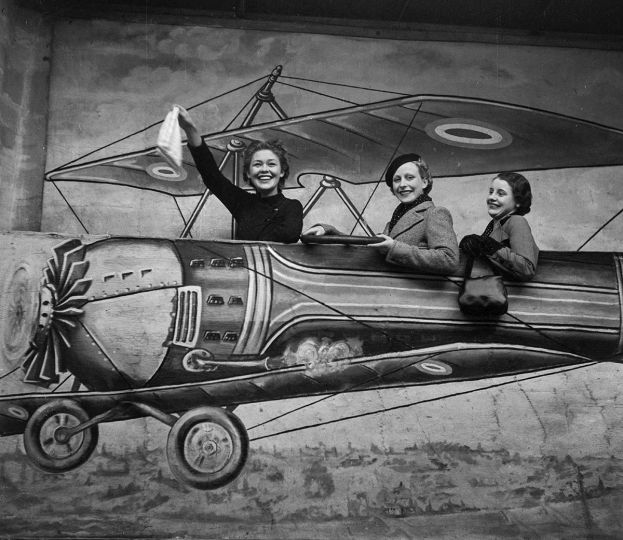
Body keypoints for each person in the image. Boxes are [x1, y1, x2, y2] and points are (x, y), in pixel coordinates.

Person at [306, 153, 459, 275]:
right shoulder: (396, 219)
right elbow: (370, 248)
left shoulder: (435, 213)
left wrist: (394, 247)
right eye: (397, 180)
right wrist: (330, 231)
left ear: (424, 182)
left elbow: (449, 260)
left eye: (410, 177)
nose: (403, 184)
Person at [175, 105, 303, 243]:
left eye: (271, 164)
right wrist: (190, 129)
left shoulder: (292, 206)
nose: (264, 169)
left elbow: (290, 234)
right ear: (248, 173)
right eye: (257, 164)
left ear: (282, 171)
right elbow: (212, 176)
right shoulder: (243, 203)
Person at [459, 172, 539, 281]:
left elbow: (526, 268)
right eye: (491, 192)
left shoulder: (516, 221)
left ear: (518, 201)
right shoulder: (494, 225)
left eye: (500, 194)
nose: (492, 197)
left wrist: (488, 246)